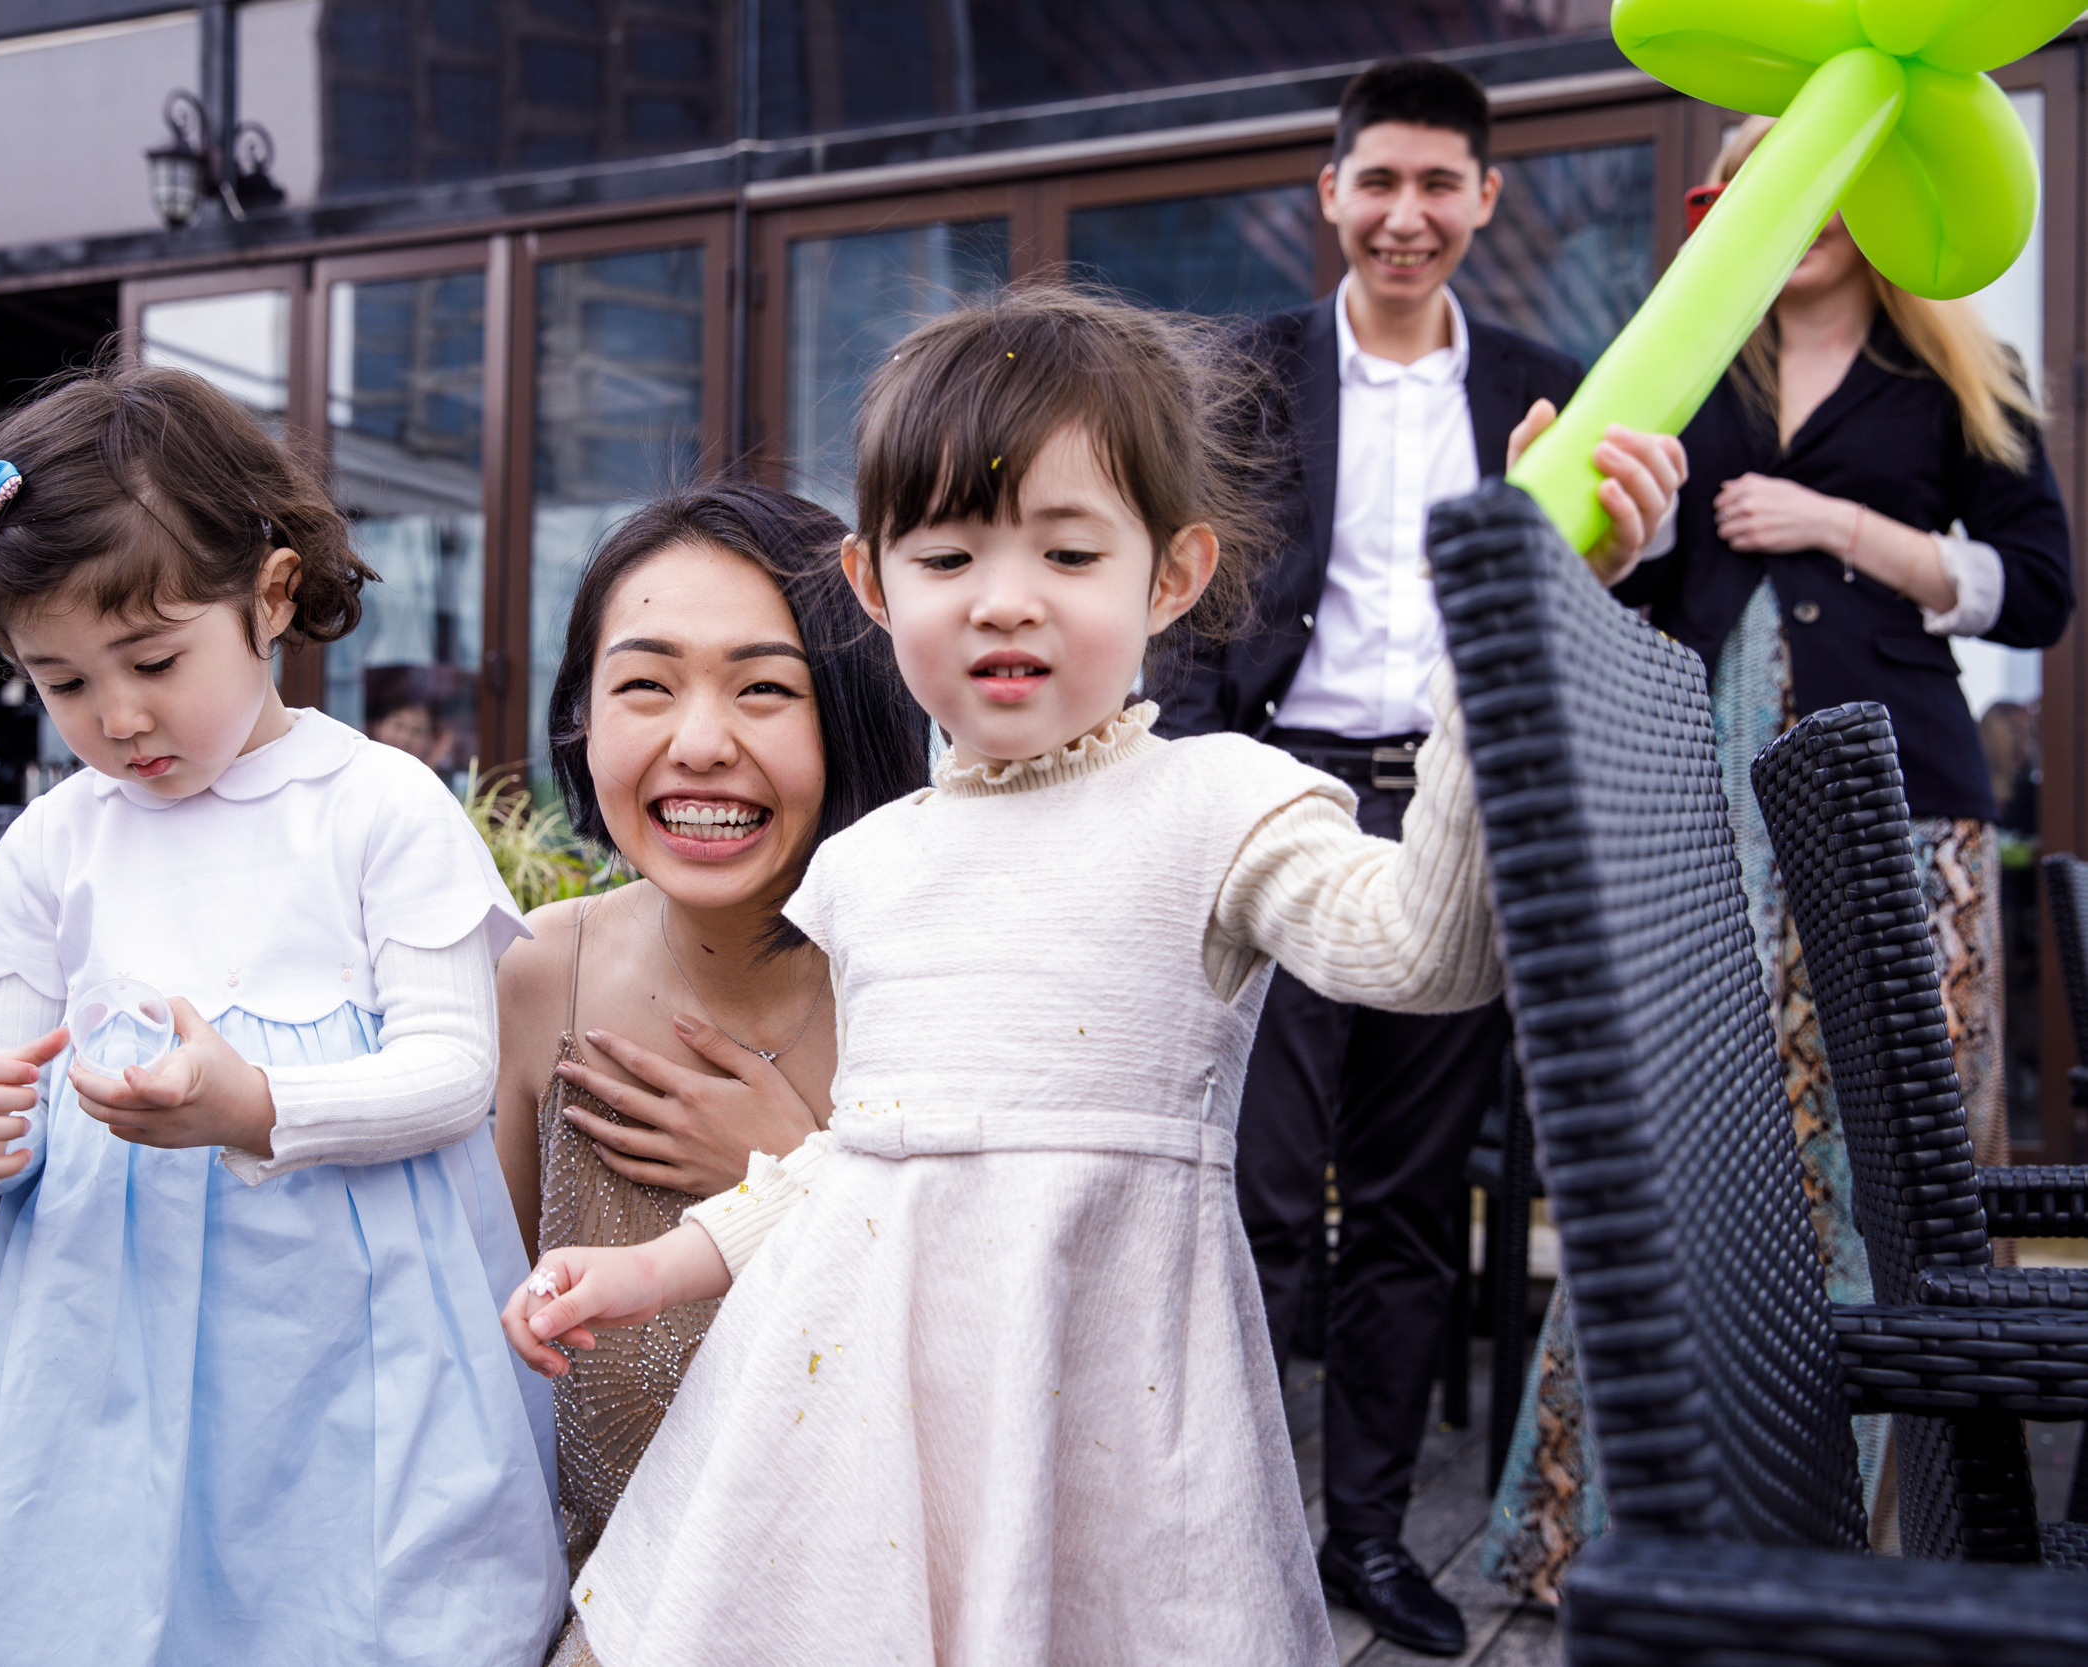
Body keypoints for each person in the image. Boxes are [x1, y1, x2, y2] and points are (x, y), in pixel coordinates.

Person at [499, 284, 1535, 1666]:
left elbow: (1427, 947)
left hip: (1107, 1411)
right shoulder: (870, 866)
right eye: (948, 557)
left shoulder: (1217, 800)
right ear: (871, 585)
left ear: (1169, 575)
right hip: (866, 1435)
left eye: (1066, 550)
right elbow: (851, 1166)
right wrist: (650, 1269)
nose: (1005, 600)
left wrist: (1494, 639)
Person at [1484, 113, 2075, 1604]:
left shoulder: (1961, 373)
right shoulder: (1691, 365)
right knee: (1687, 1142)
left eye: (1811, 179)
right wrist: (1629, 522)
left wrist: (1845, 525)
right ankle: (1609, 1533)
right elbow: (1645, 583)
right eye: (1744, 184)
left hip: (1904, 807)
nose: (1781, 206)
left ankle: (1890, 1552)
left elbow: (2041, 593)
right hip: (1707, 785)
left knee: (1895, 1157)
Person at [0, 364, 568, 1665]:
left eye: (153, 658)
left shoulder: (374, 806)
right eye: (64, 681)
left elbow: (450, 1074)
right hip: (103, 1337)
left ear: (267, 596)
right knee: (96, 1594)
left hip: (345, 1328)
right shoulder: (56, 843)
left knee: (349, 1590)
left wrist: (256, 1103)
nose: (120, 715)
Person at [1151, 58, 1686, 1654]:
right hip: (1273, 797)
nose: (1405, 214)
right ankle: (1210, 1531)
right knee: (1249, 1192)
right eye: (1375, 182)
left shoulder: (1549, 385)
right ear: (1330, 194)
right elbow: (1175, 582)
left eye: (1437, 185)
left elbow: (1590, 617)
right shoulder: (1242, 376)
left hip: (1453, 810)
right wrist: (1186, 764)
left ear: (1486, 201)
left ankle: (1369, 1539)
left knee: (1404, 1209)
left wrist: (1618, 558)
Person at [491, 483, 927, 1608]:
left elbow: (985, 1385)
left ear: (852, 711)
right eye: (643, 684)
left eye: (763, 689)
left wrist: (798, 1169)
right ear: (582, 715)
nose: (698, 743)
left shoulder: (927, 985)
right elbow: (472, 1361)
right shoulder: (538, 977)